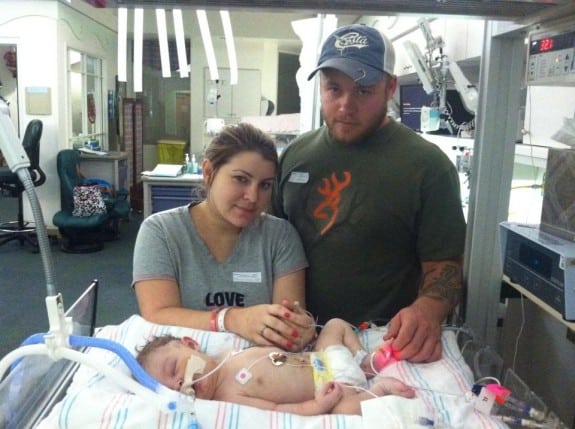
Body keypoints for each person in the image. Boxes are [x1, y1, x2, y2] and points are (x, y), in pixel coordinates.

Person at [271, 24, 466, 363]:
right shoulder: (295, 156)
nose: (345, 105)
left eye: (363, 91)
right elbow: (267, 245)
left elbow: (445, 267)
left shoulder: (428, 168)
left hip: (380, 342)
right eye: (334, 88)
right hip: (296, 337)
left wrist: (428, 309)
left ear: (390, 86)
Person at [133, 123, 316, 351]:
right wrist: (232, 319)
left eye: (265, 185)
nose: (252, 196)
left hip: (256, 372)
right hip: (182, 369)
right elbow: (157, 315)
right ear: (209, 173)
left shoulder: (281, 238)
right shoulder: (160, 232)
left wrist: (298, 330)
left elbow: (284, 330)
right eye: (241, 179)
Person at [136, 318, 415, 416]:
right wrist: (317, 406)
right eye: (168, 387)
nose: (177, 384)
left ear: (191, 344)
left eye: (174, 369)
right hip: (336, 386)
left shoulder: (229, 350)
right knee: (345, 410)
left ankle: (363, 359)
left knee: (335, 325)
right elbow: (277, 410)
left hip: (323, 357)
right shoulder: (228, 396)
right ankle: (378, 388)